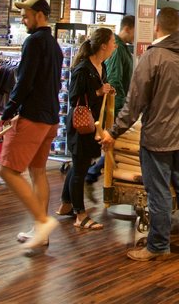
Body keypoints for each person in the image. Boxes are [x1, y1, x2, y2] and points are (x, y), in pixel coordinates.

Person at [99, 7, 179, 261]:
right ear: (178, 27)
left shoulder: (153, 57)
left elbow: (135, 101)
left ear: (157, 28)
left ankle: (158, 245)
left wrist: (114, 131)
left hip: (158, 137)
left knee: (158, 191)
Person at [0, 0, 64, 256]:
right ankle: (41, 231)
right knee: (38, 172)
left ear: (39, 15)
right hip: (50, 118)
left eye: (25, 16)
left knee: (7, 171)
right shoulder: (55, 46)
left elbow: (24, 81)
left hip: (34, 117)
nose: (23, 21)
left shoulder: (34, 42)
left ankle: (43, 221)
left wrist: (8, 111)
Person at [59, 27, 116, 230]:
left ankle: (66, 203)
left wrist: (106, 90)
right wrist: (99, 92)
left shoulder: (102, 66)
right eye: (112, 42)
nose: (115, 46)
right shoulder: (83, 69)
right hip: (80, 124)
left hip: (93, 124)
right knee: (80, 168)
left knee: (79, 164)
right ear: (103, 45)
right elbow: (75, 98)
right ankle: (80, 214)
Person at [86, 15, 135, 184]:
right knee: (114, 143)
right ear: (127, 28)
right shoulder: (118, 49)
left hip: (122, 104)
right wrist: (121, 106)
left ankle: (94, 173)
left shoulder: (123, 49)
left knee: (116, 144)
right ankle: (92, 173)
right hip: (119, 105)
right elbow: (114, 79)